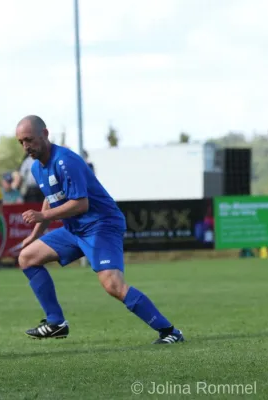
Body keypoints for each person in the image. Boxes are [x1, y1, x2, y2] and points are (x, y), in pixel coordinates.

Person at [15, 115, 184, 345]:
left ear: (45, 134)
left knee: (113, 285)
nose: (26, 146)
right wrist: (35, 234)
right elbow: (50, 198)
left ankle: (169, 331)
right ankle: (56, 323)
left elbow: (81, 204)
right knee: (27, 257)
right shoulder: (37, 168)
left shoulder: (66, 160)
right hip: (76, 229)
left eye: (29, 139)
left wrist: (43, 216)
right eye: (21, 142)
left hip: (101, 225)